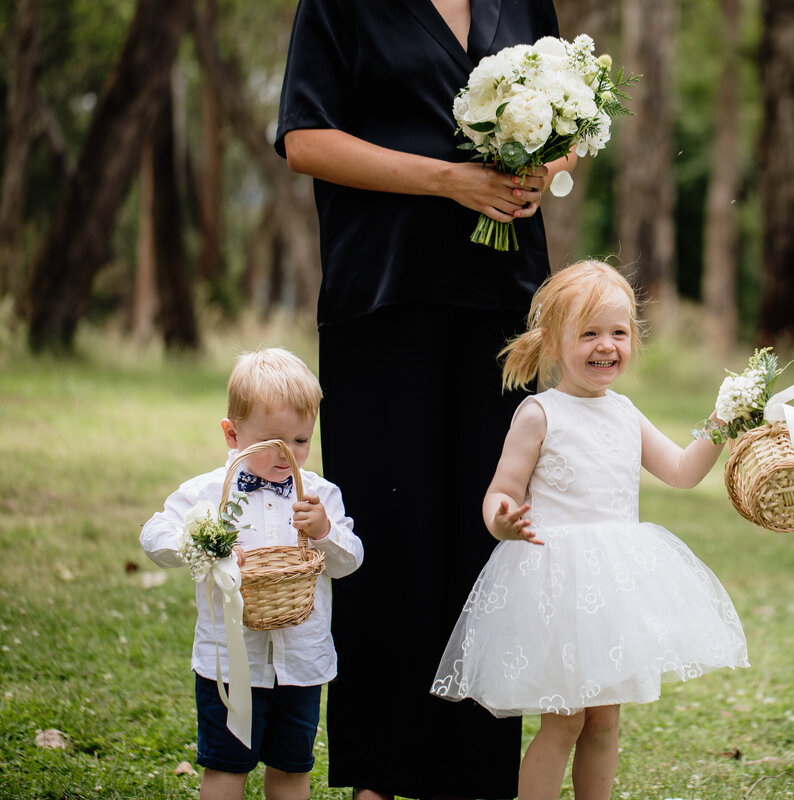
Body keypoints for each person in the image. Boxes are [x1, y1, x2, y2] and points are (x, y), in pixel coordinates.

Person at [274, 1, 575, 797]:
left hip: (503, 303)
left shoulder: (521, 0)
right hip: (383, 293)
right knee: (389, 537)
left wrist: (544, 167)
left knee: (492, 537)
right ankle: (380, 772)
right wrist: (450, 181)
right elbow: (304, 137)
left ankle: (475, 777)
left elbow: (567, 118)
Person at [429, 261, 750, 800]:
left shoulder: (626, 413)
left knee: (604, 721)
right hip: (557, 587)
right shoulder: (539, 414)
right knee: (565, 721)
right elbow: (499, 493)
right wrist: (502, 520)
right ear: (554, 344)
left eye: (618, 333)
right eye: (589, 333)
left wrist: (722, 422)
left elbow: (681, 470)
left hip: (613, 590)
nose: (607, 346)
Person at [140, 347, 364, 800]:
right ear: (232, 433)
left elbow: (350, 560)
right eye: (273, 442)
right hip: (228, 662)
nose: (289, 454)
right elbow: (153, 533)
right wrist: (203, 545)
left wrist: (323, 531)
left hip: (300, 664)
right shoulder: (209, 493)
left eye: (301, 441)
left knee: (290, 769)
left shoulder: (319, 494)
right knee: (226, 768)